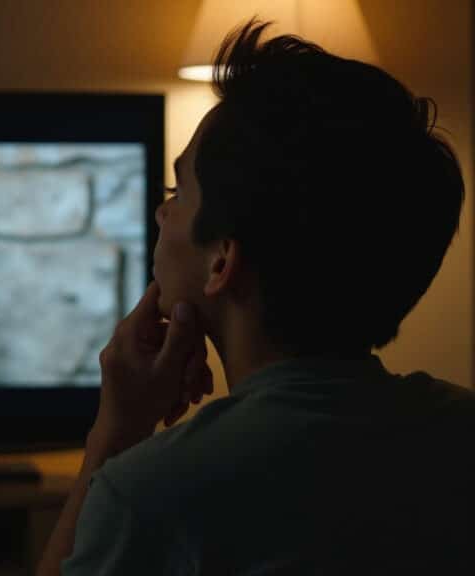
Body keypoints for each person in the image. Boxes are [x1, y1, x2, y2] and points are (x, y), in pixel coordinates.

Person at [39, 20, 475, 575]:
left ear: (222, 261)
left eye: (178, 191)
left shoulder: (147, 495)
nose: (161, 213)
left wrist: (113, 437)